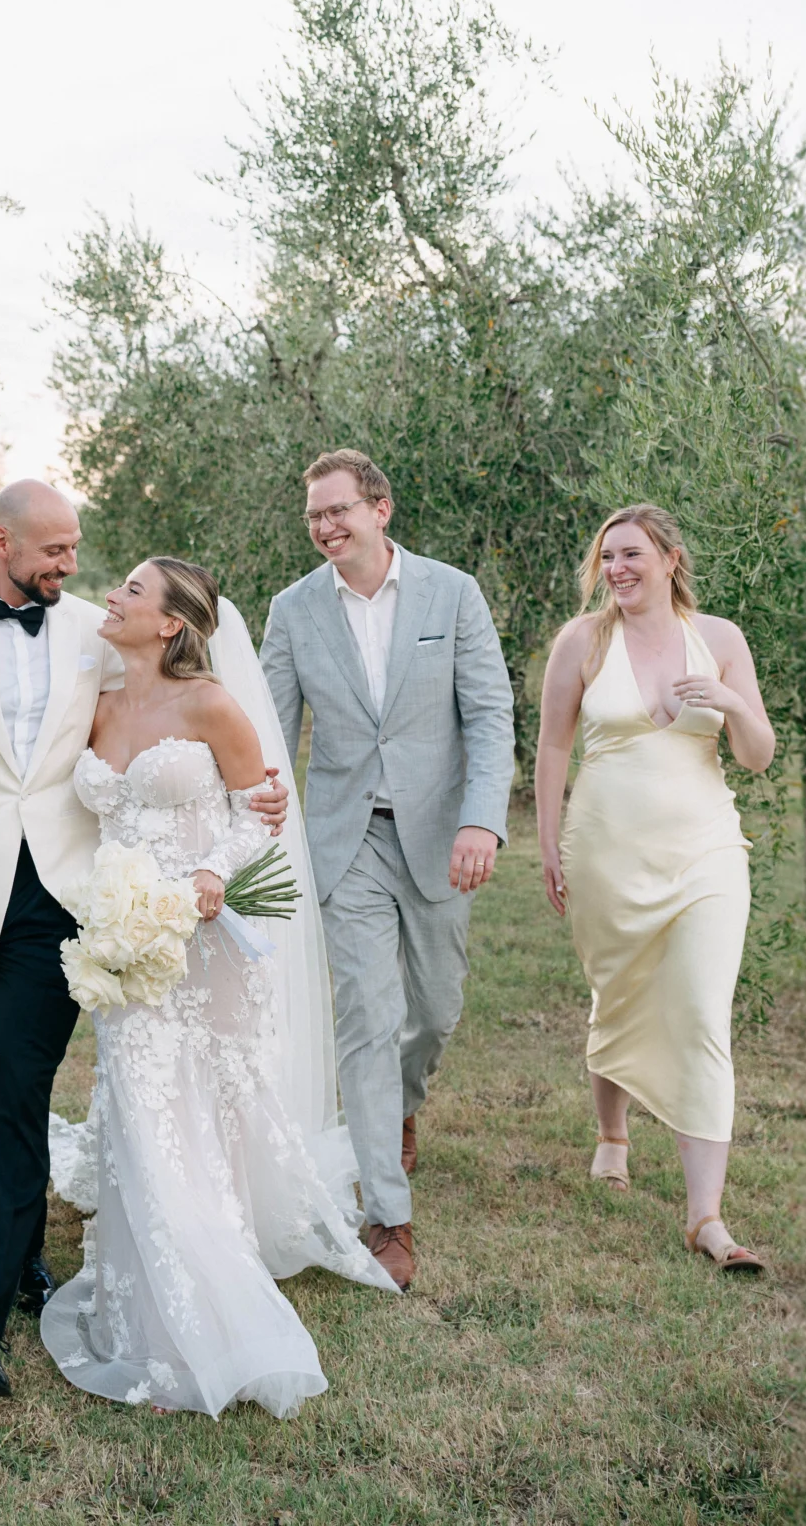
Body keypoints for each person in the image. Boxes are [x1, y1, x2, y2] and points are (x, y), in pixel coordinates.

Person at [0, 480, 290, 1404]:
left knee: (14, 1092)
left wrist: (253, 806)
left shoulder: (94, 628)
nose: (71, 565)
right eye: (54, 550)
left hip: (63, 905)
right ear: (1, 540)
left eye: (76, 550)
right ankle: (18, 1261)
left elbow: (177, 705)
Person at [41, 558, 397, 1419]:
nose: (112, 597)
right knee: (138, 1104)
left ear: (169, 624)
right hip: (127, 940)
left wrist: (208, 873)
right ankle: (151, 1291)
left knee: (206, 1105)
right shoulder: (91, 700)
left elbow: (256, 807)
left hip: (204, 941)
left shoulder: (209, 703)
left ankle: (212, 1283)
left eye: (131, 590)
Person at [259, 449, 517, 1293]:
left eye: (339, 511)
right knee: (367, 1015)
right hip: (345, 840)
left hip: (443, 834)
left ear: (381, 509)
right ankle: (388, 1215)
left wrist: (481, 817)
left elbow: (487, 713)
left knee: (434, 1011)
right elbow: (267, 730)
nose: (326, 527)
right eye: (314, 518)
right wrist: (252, 805)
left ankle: (401, 1106)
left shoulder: (453, 593)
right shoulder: (293, 611)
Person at [534, 505, 775, 1274]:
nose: (618, 570)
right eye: (608, 558)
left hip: (705, 850)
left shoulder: (724, 641)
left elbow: (760, 754)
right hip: (605, 849)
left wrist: (731, 702)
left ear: (671, 558)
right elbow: (552, 746)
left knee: (703, 1011)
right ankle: (613, 1136)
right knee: (620, 991)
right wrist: (547, 845)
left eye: (632, 554)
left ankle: (706, 1216)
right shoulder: (582, 641)